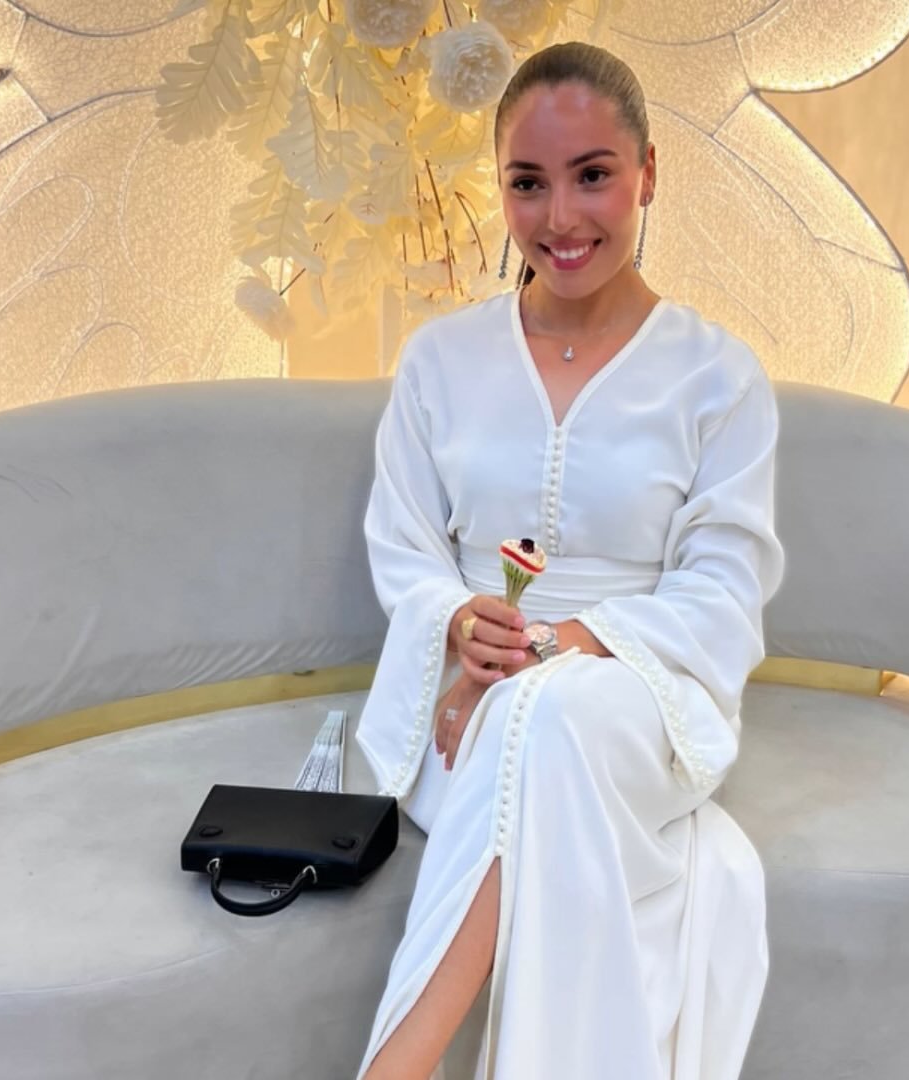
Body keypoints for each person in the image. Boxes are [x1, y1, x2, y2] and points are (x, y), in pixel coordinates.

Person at [354, 41, 785, 1080]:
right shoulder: (439, 362)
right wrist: (462, 623)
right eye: (527, 183)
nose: (560, 218)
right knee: (526, 720)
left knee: (547, 712)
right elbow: (404, 547)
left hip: (641, 695)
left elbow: (725, 589)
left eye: (592, 175)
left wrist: (564, 644)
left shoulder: (719, 379)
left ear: (648, 172)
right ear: (499, 189)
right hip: (464, 701)